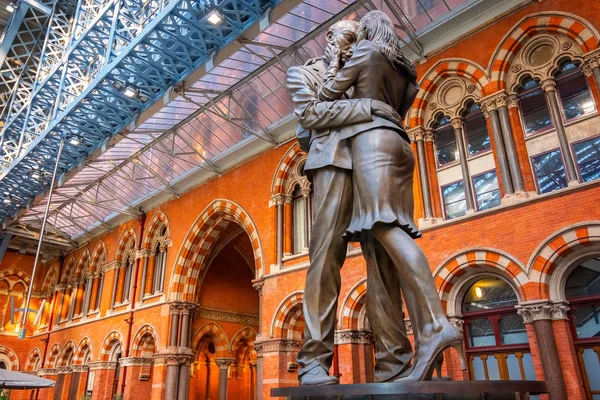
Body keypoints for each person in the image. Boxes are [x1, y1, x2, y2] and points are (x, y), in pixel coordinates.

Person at [317, 10, 466, 381]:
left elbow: (326, 95)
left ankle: (434, 325)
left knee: (384, 227)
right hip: (401, 142)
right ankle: (428, 335)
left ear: (367, 31)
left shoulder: (365, 52)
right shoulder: (404, 66)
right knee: (392, 231)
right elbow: (400, 106)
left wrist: (338, 60)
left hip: (373, 143)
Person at [286, 20, 413, 386]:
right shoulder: (303, 74)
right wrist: (370, 107)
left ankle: (394, 362)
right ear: (328, 39)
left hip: (374, 161)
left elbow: (396, 106)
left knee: (384, 260)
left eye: (356, 37)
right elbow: (310, 117)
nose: (350, 43)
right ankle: (313, 362)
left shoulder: (370, 62)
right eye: (343, 37)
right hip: (333, 162)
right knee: (325, 257)